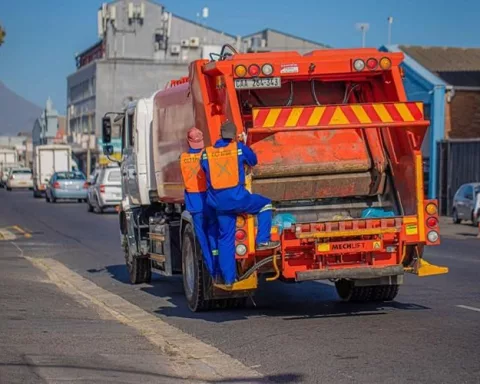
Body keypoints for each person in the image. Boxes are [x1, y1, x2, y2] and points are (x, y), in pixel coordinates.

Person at [201, 121, 280, 287]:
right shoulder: (238, 148)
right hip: (239, 200)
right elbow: (253, 161)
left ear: (221, 134)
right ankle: (263, 240)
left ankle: (229, 280)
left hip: (219, 204)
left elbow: (205, 168)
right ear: (233, 135)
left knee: (225, 239)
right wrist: (244, 144)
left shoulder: (207, 153)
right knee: (265, 204)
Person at [180, 127, 219, 278]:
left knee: (203, 242)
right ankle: (218, 265)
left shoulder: (183, 158)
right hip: (209, 202)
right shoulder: (208, 154)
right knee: (214, 236)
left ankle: (213, 272)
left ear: (188, 142)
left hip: (195, 206)